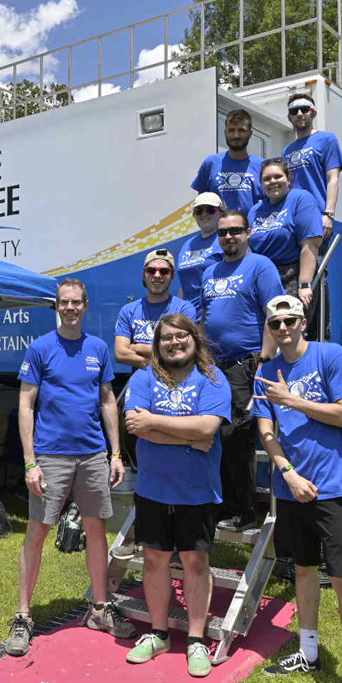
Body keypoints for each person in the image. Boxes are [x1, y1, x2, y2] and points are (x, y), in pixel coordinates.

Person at [251, 295, 342, 683]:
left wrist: (293, 401)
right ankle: (308, 651)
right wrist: (288, 473)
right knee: (303, 570)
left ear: (303, 322)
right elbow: (266, 432)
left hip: (334, 487)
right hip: (291, 488)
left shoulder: (330, 355)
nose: (283, 328)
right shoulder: (265, 373)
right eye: (275, 323)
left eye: (289, 320)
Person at [5, 278, 137, 657]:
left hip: (93, 454)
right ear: (57, 306)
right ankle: (23, 616)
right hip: (51, 456)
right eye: (64, 302)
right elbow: (26, 405)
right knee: (37, 532)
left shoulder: (98, 349)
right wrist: (30, 461)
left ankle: (99, 609)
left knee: (96, 531)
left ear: (85, 305)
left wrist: (115, 453)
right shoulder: (40, 348)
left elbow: (107, 401)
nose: (70, 308)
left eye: (76, 302)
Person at [123, 313, 230, 678]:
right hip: (152, 489)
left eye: (181, 336)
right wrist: (188, 437)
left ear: (194, 339)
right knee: (154, 560)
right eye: (166, 337)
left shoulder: (212, 378)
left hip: (197, 490)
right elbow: (136, 426)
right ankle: (158, 634)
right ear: (158, 344)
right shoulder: (143, 377)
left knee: (195, 562)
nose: (174, 342)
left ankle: (197, 639)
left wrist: (155, 421)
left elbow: (208, 427)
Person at [199, 210, 284, 531]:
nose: (228, 237)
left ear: (248, 233)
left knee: (237, 439)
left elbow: (273, 315)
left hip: (244, 365)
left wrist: (264, 359)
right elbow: (204, 319)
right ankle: (221, 507)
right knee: (213, 436)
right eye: (223, 233)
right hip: (212, 367)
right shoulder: (210, 272)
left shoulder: (261, 266)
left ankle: (245, 512)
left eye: (235, 231)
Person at [249, 158, 324, 306]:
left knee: (289, 320)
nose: (272, 181)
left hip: (293, 275)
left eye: (278, 176)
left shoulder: (301, 199)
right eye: (267, 179)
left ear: (288, 179)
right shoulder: (254, 211)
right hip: (263, 277)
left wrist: (304, 284)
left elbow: (310, 244)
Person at [114, 249, 197, 369]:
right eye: (151, 271)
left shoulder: (184, 309)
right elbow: (120, 353)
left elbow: (183, 351)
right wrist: (155, 364)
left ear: (172, 275)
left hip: (176, 379)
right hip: (142, 380)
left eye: (164, 271)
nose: (157, 275)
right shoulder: (128, 310)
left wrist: (139, 347)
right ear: (144, 274)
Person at [283, 93, 342, 239]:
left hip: (318, 216)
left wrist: (328, 214)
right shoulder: (286, 151)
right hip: (293, 218)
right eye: (294, 111)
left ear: (313, 112)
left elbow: (333, 178)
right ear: (290, 117)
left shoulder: (327, 139)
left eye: (304, 109)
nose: (299, 114)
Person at [191, 108, 262, 216]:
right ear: (225, 133)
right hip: (218, 226)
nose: (236, 136)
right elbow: (202, 202)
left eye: (241, 130)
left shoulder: (262, 166)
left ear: (250, 134)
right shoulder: (210, 163)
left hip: (250, 226)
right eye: (231, 130)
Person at [177, 193, 225, 312]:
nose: (204, 214)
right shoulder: (188, 244)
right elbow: (185, 285)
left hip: (213, 312)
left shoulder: (226, 239)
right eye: (199, 210)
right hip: (188, 316)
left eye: (210, 209)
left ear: (221, 212)